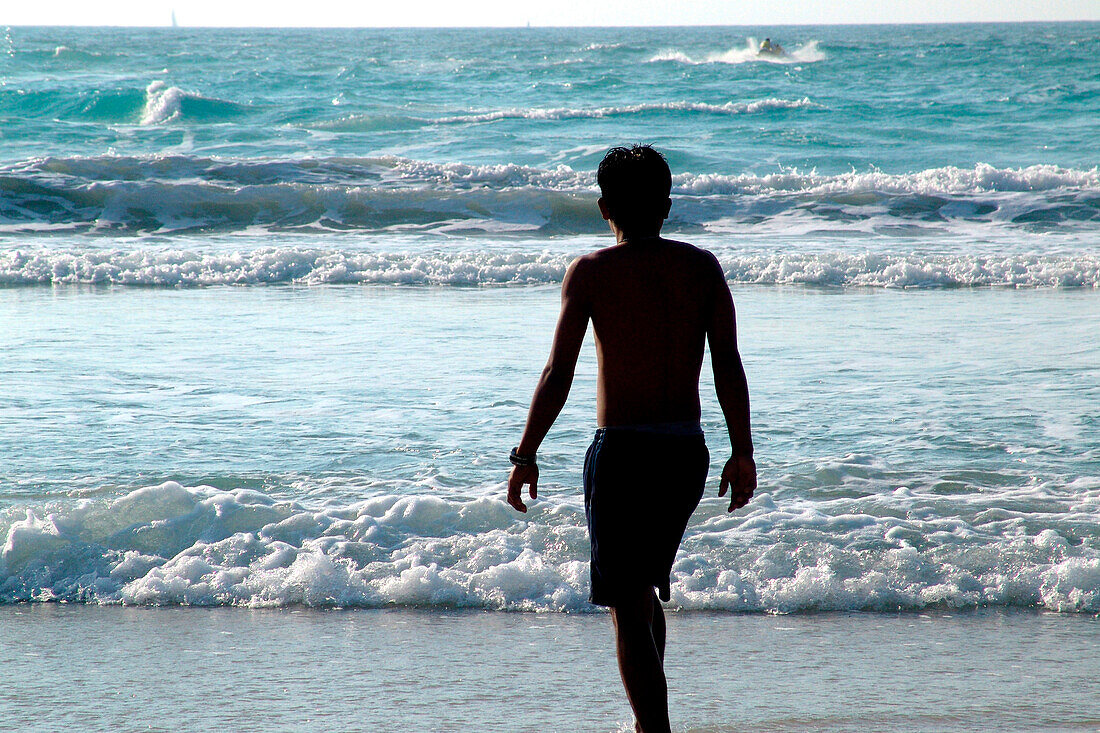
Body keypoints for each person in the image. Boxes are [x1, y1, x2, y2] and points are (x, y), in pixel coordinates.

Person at [506, 145, 756, 733]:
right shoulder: (701, 268)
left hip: (622, 454)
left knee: (627, 602)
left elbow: (557, 374)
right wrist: (742, 451)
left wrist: (526, 454)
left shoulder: (592, 272)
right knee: (640, 592)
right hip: (684, 454)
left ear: (603, 207)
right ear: (667, 207)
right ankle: (652, 719)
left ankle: (654, 731)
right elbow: (728, 366)